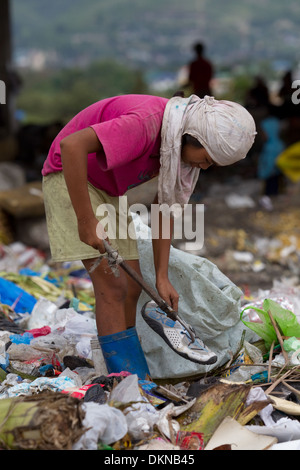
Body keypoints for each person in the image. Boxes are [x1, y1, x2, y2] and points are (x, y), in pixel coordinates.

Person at [42, 93, 256, 378]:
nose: (204, 168)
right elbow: (71, 146)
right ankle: (125, 379)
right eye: (206, 159)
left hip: (107, 191)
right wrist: (85, 219)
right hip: (72, 179)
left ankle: (130, 374)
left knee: (132, 288)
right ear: (192, 137)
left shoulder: (177, 146)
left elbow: (164, 208)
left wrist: (162, 276)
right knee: (113, 287)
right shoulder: (145, 124)